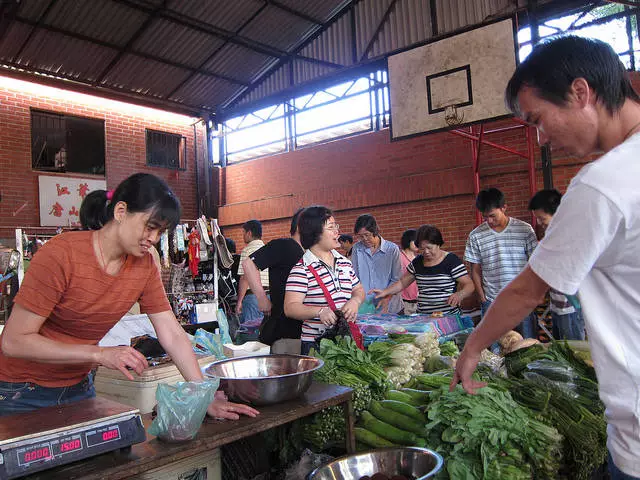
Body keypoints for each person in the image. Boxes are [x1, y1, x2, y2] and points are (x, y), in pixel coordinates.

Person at [451, 36, 640, 479]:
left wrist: (473, 347)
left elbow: (528, 289)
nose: (541, 139)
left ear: (580, 92)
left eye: (537, 119)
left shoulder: (603, 184)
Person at [0, 173, 258, 420]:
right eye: (150, 227)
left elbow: (172, 333)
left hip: (79, 386)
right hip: (21, 391)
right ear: (120, 211)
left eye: (160, 232)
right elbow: (14, 342)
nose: (153, 239)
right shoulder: (61, 255)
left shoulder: (144, 266)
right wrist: (99, 354)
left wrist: (205, 395)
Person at [284, 206, 365, 355]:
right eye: (331, 227)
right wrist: (319, 311)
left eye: (336, 226)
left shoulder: (344, 262)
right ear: (315, 233)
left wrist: (355, 301)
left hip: (345, 340)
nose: (337, 231)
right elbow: (290, 307)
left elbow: (358, 290)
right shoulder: (302, 269)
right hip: (316, 345)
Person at [464, 188, 538, 338]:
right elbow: (475, 269)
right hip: (492, 301)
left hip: (521, 299)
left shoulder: (524, 230)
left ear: (504, 208)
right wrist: (482, 297)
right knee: (495, 350)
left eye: (492, 216)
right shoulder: (476, 236)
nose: (489, 221)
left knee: (527, 345)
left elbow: (534, 264)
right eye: (485, 218)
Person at [240, 209, 305, 354]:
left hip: (301, 329)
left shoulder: (310, 253)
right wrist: (262, 298)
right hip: (281, 329)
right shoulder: (284, 245)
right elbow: (249, 264)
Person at [374, 225, 474, 316]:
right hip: (424, 316)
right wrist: (385, 292)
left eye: (429, 248)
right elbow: (402, 283)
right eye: (422, 249)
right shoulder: (417, 262)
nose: (426, 252)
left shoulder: (451, 260)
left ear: (438, 244)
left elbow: (469, 285)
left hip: (448, 316)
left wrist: (460, 294)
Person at [529, 189, 585, 340]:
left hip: (571, 308)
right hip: (557, 306)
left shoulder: (570, 236)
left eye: (542, 219)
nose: (540, 224)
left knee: (574, 356)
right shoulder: (552, 235)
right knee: (561, 353)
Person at [351, 214, 403, 314]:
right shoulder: (357, 249)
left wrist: (387, 296)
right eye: (361, 236)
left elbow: (397, 279)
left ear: (375, 231)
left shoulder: (392, 249)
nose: (365, 239)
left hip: (390, 305)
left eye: (367, 235)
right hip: (366, 307)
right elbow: (354, 277)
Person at [235, 219, 269, 324]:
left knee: (251, 331)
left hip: (253, 297)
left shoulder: (248, 250)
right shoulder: (267, 249)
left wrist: (239, 301)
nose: (243, 236)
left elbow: (245, 278)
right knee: (264, 332)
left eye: (243, 233)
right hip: (268, 296)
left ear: (249, 233)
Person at [398, 229, 419, 314]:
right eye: (415, 241)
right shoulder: (399, 257)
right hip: (403, 302)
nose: (418, 243)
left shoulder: (418, 259)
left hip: (417, 301)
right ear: (408, 240)